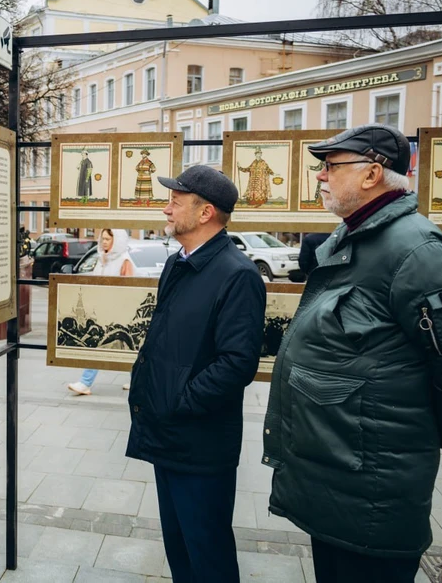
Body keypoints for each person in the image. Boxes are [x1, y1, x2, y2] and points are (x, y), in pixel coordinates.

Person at [262, 124, 442, 583]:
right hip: (337, 477)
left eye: (331, 166)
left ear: (373, 173)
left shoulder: (415, 248)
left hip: (372, 488)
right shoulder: (353, 239)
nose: (320, 176)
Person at [126, 165, 266, 583]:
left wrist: (179, 402)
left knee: (208, 555)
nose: (166, 208)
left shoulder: (237, 274)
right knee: (180, 550)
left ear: (205, 213)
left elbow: (237, 363)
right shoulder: (177, 263)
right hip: (168, 433)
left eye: (175, 201)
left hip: (200, 443)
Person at [67, 228, 134, 396]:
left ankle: (85, 383)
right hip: (102, 309)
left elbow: (129, 288)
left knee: (102, 343)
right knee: (119, 346)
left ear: (116, 241)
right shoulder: (102, 259)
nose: (103, 242)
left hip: (116, 310)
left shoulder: (124, 260)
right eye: (102, 238)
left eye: (107, 239)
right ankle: (136, 380)